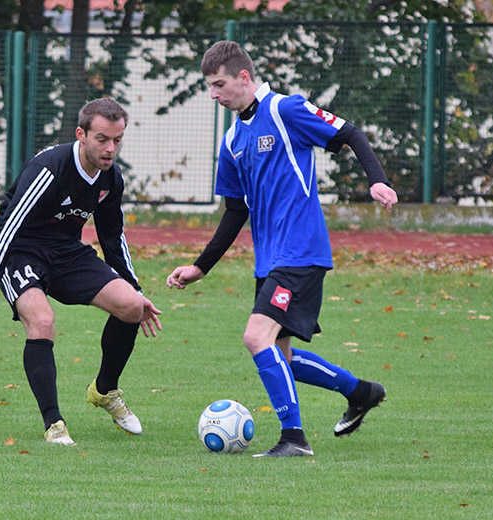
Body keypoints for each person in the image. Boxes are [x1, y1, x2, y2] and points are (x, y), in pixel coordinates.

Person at [166, 41, 398, 458]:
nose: (214, 94)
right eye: (209, 87)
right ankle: (362, 392)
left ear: (244, 77)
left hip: (301, 251)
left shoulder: (285, 110)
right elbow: (235, 212)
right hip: (270, 260)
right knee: (282, 360)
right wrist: (201, 267)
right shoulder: (233, 140)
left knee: (256, 337)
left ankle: (294, 439)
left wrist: (376, 180)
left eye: (220, 84)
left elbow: (349, 133)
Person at [0, 98, 162, 446]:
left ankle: (104, 391)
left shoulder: (110, 178)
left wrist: (134, 287)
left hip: (67, 254)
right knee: (42, 322)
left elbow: (112, 234)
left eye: (117, 140)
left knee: (132, 306)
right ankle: (53, 422)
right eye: (102, 139)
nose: (110, 148)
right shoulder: (50, 169)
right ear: (81, 134)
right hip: (21, 252)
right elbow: (7, 229)